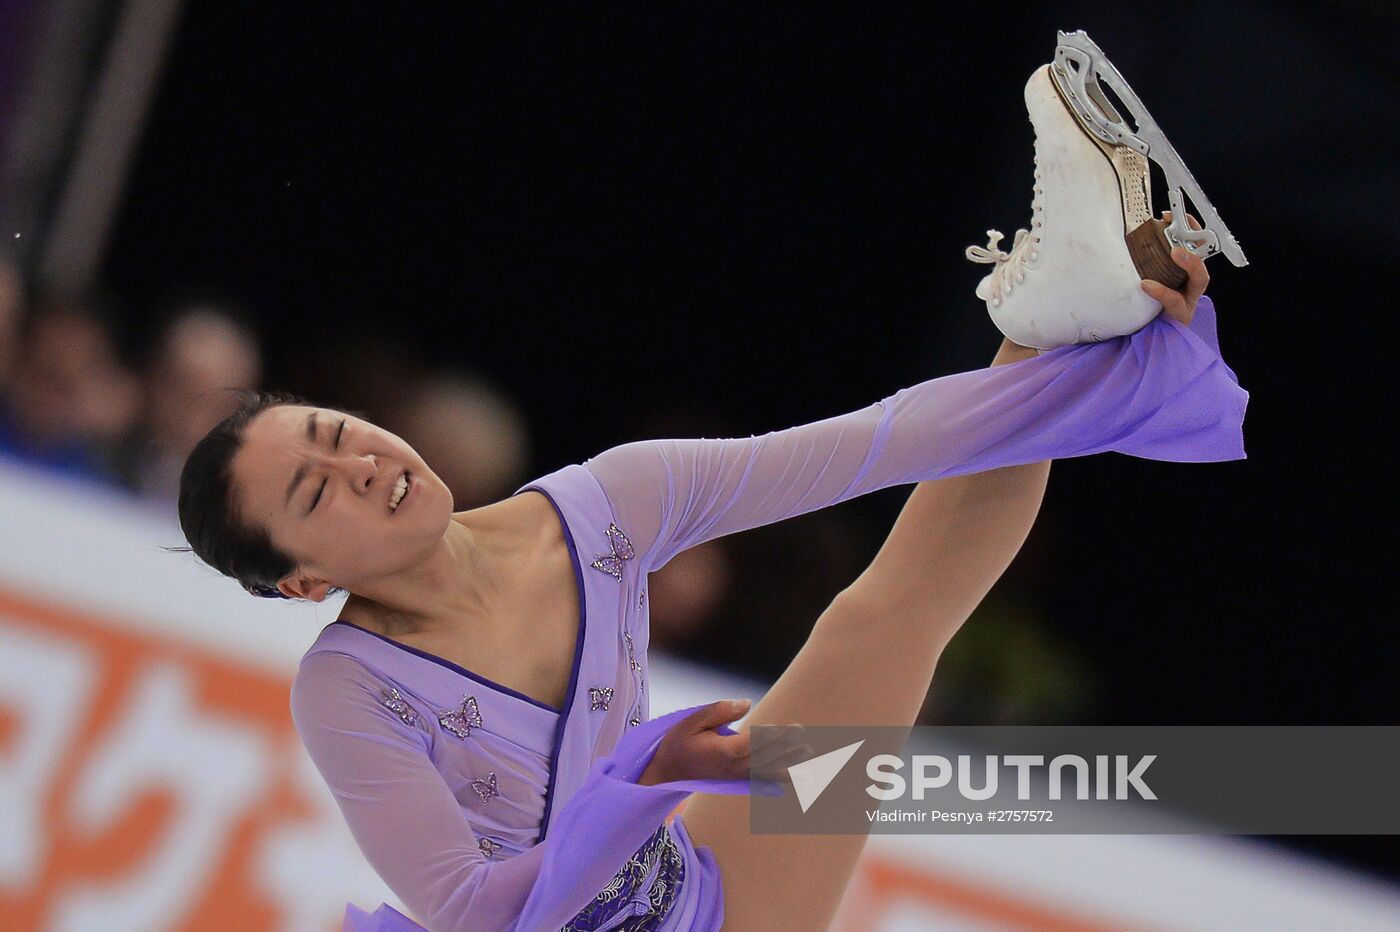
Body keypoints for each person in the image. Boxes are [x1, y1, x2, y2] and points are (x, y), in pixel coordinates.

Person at [175, 237, 1245, 930]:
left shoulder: (612, 500)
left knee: (884, 618)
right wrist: (638, 778)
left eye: (332, 431)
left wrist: (1086, 351)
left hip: (704, 888)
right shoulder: (348, 689)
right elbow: (470, 913)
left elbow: (885, 442)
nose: (361, 462)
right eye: (317, 495)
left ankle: (1068, 292)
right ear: (302, 580)